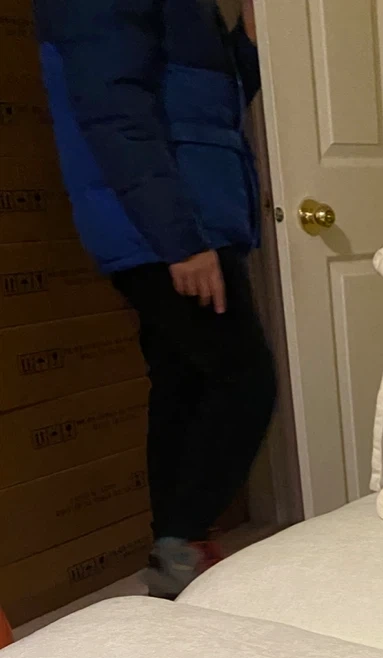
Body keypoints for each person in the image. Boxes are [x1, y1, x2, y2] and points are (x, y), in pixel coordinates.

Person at [34, 0, 277, 597]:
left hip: (189, 224)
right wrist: (181, 243)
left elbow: (207, 106)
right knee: (244, 381)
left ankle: (176, 554)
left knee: (184, 384)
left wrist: (246, 45)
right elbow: (114, 114)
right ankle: (181, 545)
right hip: (171, 231)